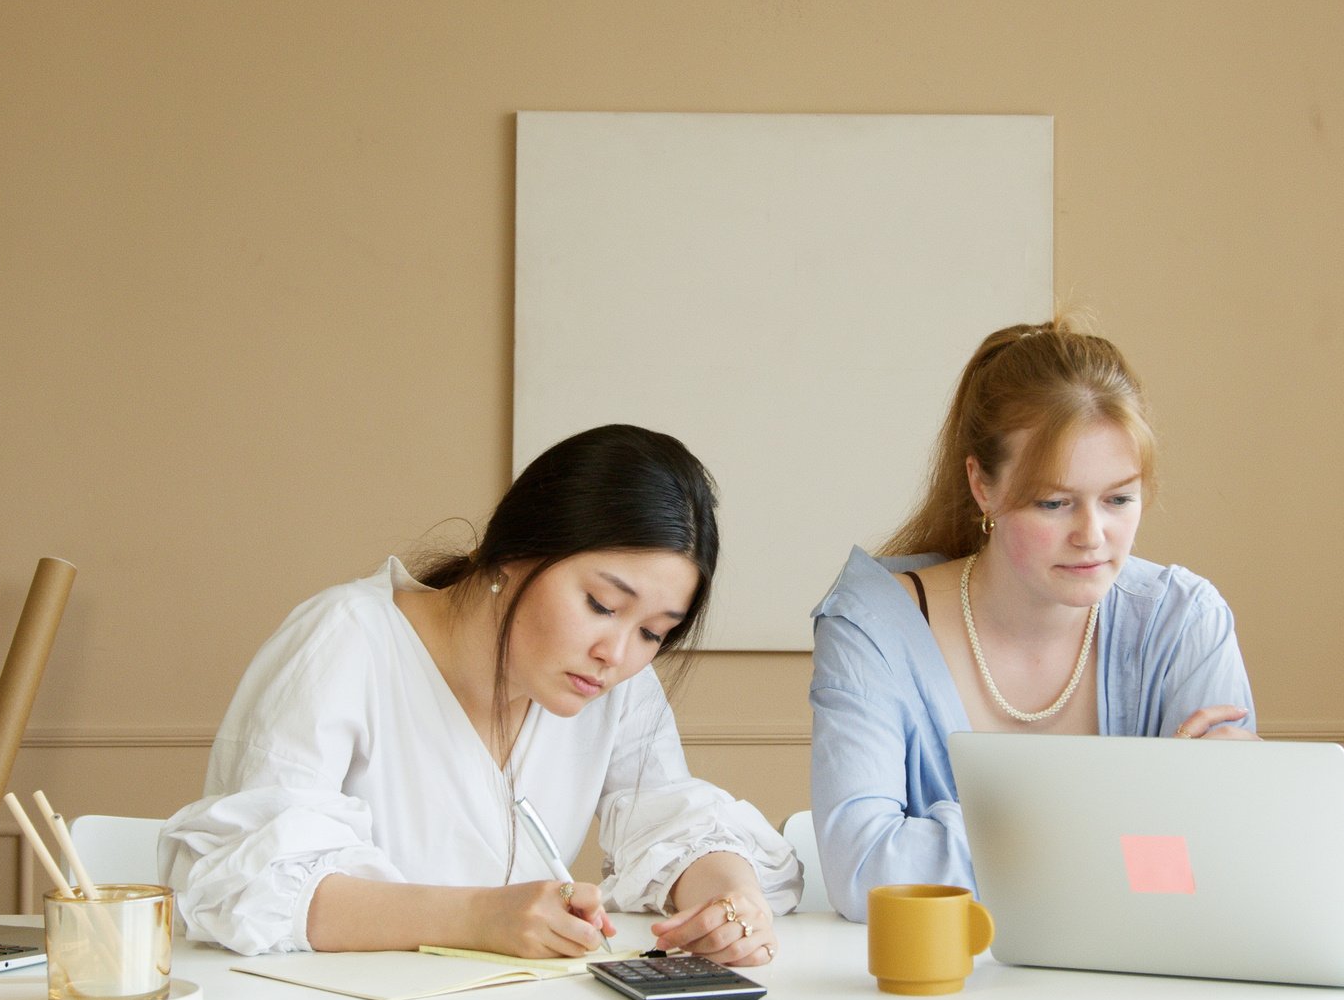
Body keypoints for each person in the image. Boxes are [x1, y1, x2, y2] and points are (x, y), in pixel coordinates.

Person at [162, 424, 801, 962]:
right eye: (601, 604)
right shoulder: (345, 641)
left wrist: (730, 901)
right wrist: (478, 919)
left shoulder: (613, 684)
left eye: (654, 633)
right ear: (513, 554)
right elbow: (246, 885)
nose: (618, 654)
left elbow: (674, 819)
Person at [809, 319, 1259, 922]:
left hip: (1150, 993)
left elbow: (1226, 861)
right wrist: (1141, 809)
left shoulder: (1183, 620)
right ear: (982, 486)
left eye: (1119, 499)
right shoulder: (872, 626)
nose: (1093, 537)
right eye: (1054, 502)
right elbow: (865, 872)